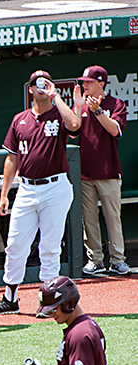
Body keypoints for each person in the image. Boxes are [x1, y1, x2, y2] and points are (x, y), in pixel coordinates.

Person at [0, 71, 82, 316]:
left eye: (44, 82)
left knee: (49, 246)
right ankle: (10, 298)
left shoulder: (58, 114)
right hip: (26, 188)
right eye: (36, 83)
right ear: (29, 89)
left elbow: (75, 125)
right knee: (15, 245)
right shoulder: (20, 119)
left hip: (55, 186)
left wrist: (55, 95)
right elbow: (11, 158)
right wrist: (5, 193)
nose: (40, 86)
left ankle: (49, 300)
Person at [72, 65, 130, 277]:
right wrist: (78, 107)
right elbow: (72, 131)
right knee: (88, 219)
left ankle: (117, 260)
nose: (84, 85)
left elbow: (115, 130)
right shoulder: (82, 104)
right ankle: (95, 260)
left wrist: (97, 110)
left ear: (101, 83)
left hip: (109, 171)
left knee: (112, 218)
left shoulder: (115, 104)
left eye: (88, 82)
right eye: (83, 82)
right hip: (85, 172)